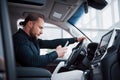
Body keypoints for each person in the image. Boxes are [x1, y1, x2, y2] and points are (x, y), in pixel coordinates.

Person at [13, 13, 86, 80]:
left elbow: (51, 43)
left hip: (34, 74)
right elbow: (32, 61)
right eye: (40, 28)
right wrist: (56, 53)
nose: (42, 32)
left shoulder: (31, 39)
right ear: (30, 24)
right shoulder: (19, 39)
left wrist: (75, 39)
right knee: (79, 75)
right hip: (29, 76)